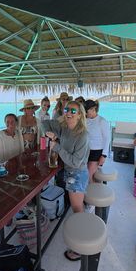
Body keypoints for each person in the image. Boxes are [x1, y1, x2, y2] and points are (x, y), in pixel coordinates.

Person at [42, 100, 89, 261]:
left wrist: (57, 147)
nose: (69, 113)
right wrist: (52, 134)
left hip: (77, 174)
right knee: (77, 207)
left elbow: (76, 162)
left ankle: (80, 247)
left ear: (80, 114)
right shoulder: (64, 127)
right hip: (69, 173)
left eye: (73, 111)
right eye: (67, 109)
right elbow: (44, 123)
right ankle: (81, 239)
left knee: (77, 209)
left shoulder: (83, 134)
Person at [85, 99, 110, 182]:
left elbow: (107, 139)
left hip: (97, 151)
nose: (85, 113)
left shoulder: (102, 121)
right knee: (85, 174)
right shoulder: (85, 120)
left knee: (90, 174)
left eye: (86, 111)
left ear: (93, 109)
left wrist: (104, 155)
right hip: (86, 150)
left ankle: (92, 192)